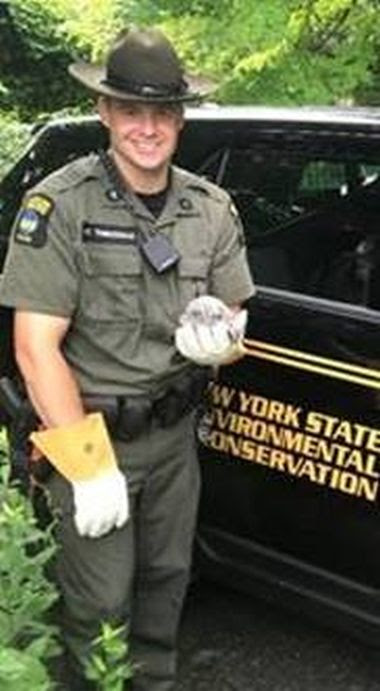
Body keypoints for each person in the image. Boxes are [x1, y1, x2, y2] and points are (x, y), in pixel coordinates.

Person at [0, 26, 255, 690]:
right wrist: (87, 468)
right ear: (106, 112)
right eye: (132, 110)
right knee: (99, 604)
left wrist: (220, 340)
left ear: (179, 117)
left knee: (165, 588)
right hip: (90, 434)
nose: (148, 126)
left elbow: (233, 320)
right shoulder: (61, 204)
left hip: (174, 439)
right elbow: (35, 348)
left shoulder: (210, 208)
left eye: (163, 111)